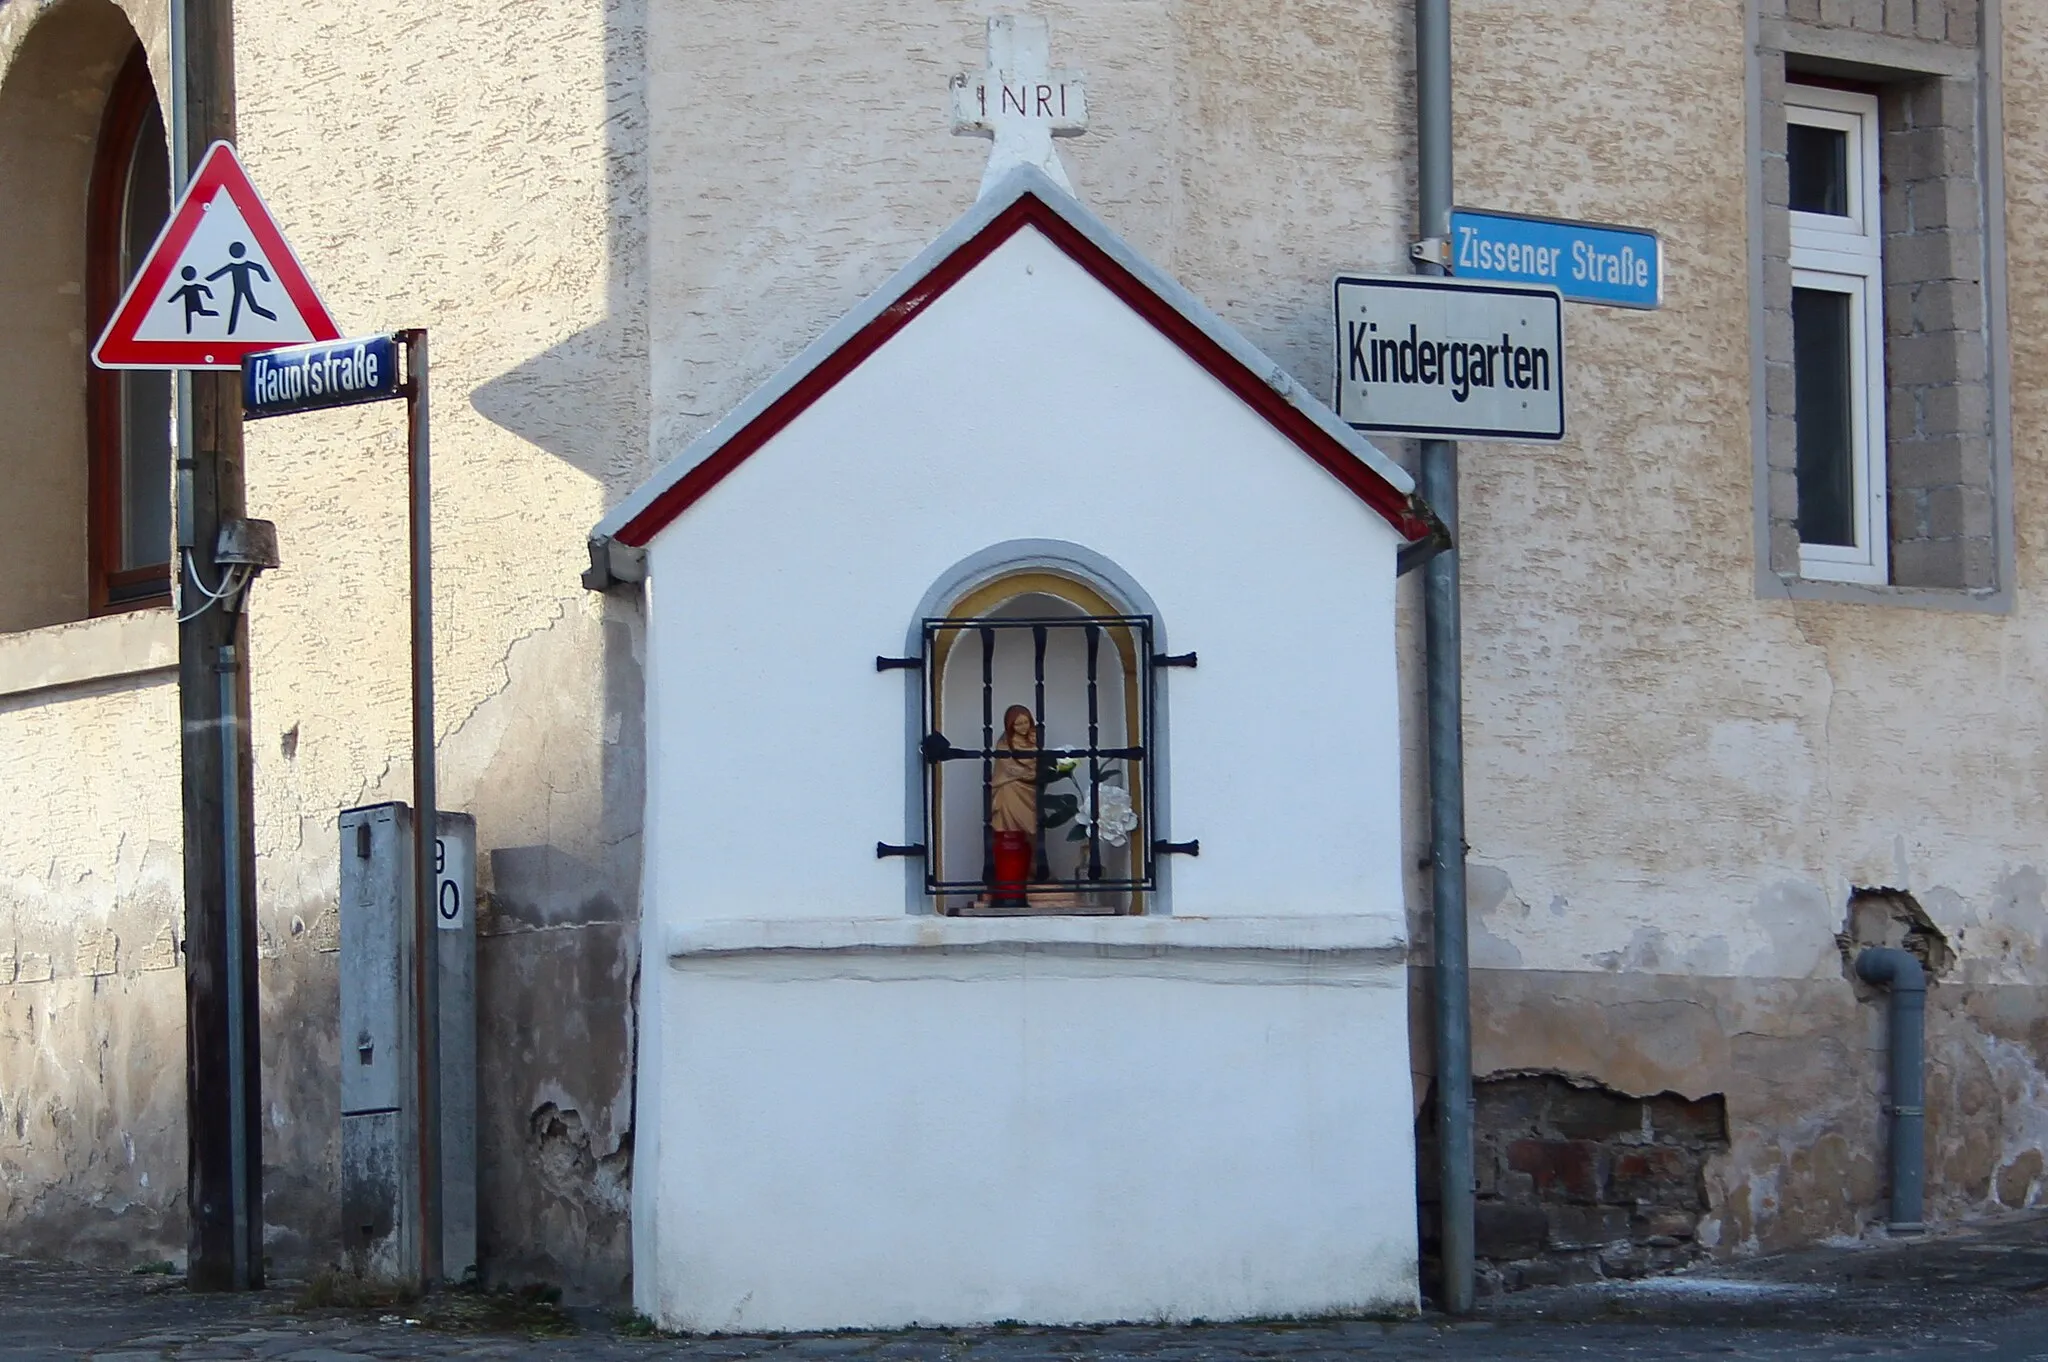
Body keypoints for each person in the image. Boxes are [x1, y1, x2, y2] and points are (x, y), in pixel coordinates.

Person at [987, 704, 1039, 905]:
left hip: (1028, 793)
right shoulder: (1004, 745)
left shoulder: (1033, 742)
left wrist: (1031, 768)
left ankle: (1031, 873)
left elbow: (1037, 768)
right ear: (1010, 726)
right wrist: (1024, 772)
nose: (1023, 727)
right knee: (1009, 833)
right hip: (1008, 790)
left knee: (1030, 832)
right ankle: (1008, 885)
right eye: (1018, 724)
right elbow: (1007, 769)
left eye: (1026, 722)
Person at [206, 241, 277, 334]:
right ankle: (231, 330)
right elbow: (259, 268)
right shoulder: (235, 266)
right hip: (239, 291)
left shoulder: (236, 266)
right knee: (239, 307)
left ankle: (271, 316)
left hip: (245, 290)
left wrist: (266, 278)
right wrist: (209, 279)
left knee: (251, 308)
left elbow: (258, 268)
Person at [165, 266, 216, 334]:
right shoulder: (189, 287)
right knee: (193, 315)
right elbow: (205, 288)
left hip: (192, 304)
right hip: (191, 304)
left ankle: (214, 314)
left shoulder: (185, 288)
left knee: (198, 313)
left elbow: (176, 295)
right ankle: (188, 331)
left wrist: (171, 300)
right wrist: (210, 296)